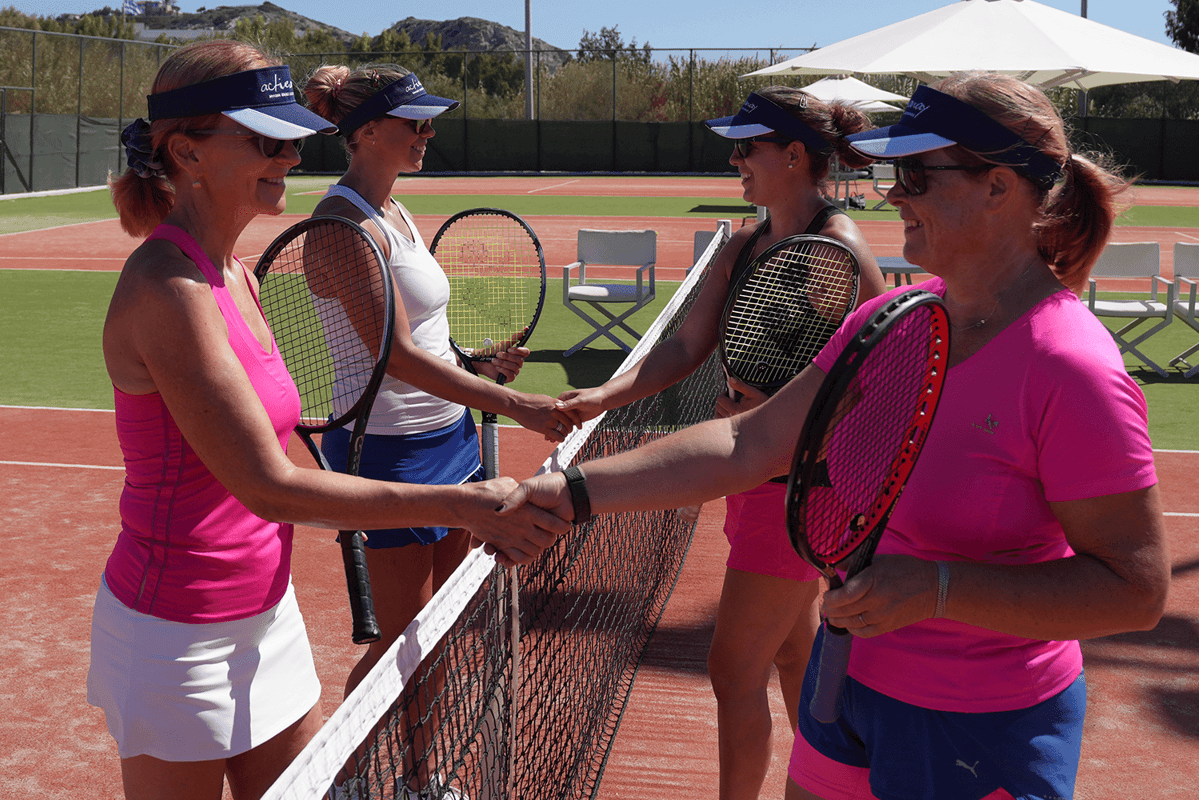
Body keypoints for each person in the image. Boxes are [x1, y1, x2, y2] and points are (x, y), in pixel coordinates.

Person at [500, 72, 1169, 800]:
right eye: (892, 173)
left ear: (998, 187)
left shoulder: (1070, 367)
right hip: (846, 681)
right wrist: (570, 491)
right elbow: (748, 444)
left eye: (914, 173)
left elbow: (1134, 590)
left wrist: (939, 589)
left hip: (981, 723)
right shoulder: (897, 319)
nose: (893, 194)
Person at [89, 41, 566, 800]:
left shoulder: (236, 273)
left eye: (292, 137)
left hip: (266, 615)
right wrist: (465, 502)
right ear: (187, 152)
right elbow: (270, 488)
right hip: (178, 634)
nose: (289, 153)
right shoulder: (166, 289)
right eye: (264, 140)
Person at [554, 85, 885, 800]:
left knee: (733, 669)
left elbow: (878, 387)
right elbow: (684, 349)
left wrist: (789, 413)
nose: (734, 159)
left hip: (798, 491)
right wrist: (602, 400)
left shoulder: (840, 252)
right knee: (795, 657)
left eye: (748, 147)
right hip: (750, 482)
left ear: (793, 156)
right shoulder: (743, 245)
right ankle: (830, 790)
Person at [301, 63, 575, 796]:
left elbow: (426, 343)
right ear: (364, 132)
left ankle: (419, 782)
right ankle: (345, 773)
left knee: (444, 631)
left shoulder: (396, 212)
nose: (428, 133)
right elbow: (392, 357)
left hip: (450, 438)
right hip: (385, 452)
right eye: (412, 122)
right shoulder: (340, 226)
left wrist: (475, 363)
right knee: (404, 642)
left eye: (430, 121)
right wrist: (512, 404)